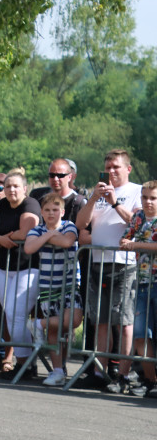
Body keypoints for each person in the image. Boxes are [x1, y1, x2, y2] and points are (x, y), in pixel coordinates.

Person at [76, 149, 142, 392]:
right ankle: (99, 371)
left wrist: (114, 201)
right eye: (108, 167)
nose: (111, 171)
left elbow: (136, 223)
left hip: (125, 264)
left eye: (116, 167)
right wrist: (94, 198)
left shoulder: (136, 191)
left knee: (124, 322)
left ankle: (123, 374)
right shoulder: (99, 192)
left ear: (128, 168)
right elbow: (81, 224)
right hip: (97, 262)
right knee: (101, 320)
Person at [0, 170, 43, 376]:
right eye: (8, 187)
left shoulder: (30, 204)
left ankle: (24, 364)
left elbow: (25, 232)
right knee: (9, 316)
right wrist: (1, 239)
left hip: (28, 267)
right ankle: (26, 364)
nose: (11, 190)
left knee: (17, 317)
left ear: (25, 188)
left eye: (16, 186)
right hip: (3, 268)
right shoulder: (1, 205)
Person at [23, 193, 82, 388]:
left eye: (55, 210)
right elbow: (29, 248)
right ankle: (57, 372)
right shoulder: (37, 230)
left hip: (70, 283)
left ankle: (38, 323)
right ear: (41, 212)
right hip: (48, 286)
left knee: (72, 320)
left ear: (62, 212)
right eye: (47, 210)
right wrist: (49, 235)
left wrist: (46, 238)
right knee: (55, 330)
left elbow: (67, 241)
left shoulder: (68, 226)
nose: (51, 213)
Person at [119, 180, 157, 397]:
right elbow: (125, 238)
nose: (148, 202)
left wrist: (136, 245)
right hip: (141, 282)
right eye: (145, 198)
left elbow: (136, 243)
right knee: (141, 334)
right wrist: (126, 241)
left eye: (153, 198)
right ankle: (151, 380)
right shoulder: (139, 217)